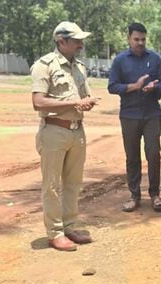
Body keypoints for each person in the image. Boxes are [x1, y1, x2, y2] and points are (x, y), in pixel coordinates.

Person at [31, 21, 99, 251]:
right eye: (76, 40)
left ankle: (69, 226)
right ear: (61, 41)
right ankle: (55, 232)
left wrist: (87, 102)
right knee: (51, 185)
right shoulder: (44, 66)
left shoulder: (79, 67)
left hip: (76, 131)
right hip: (54, 131)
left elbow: (83, 95)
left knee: (73, 182)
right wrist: (74, 102)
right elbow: (38, 102)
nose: (81, 44)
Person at [108, 23, 161, 213]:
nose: (140, 43)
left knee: (153, 153)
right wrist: (134, 86)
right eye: (136, 39)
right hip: (129, 115)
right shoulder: (120, 60)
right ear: (129, 39)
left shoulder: (155, 59)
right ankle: (134, 196)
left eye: (143, 39)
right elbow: (112, 86)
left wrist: (155, 87)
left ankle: (155, 194)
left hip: (152, 114)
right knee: (132, 157)